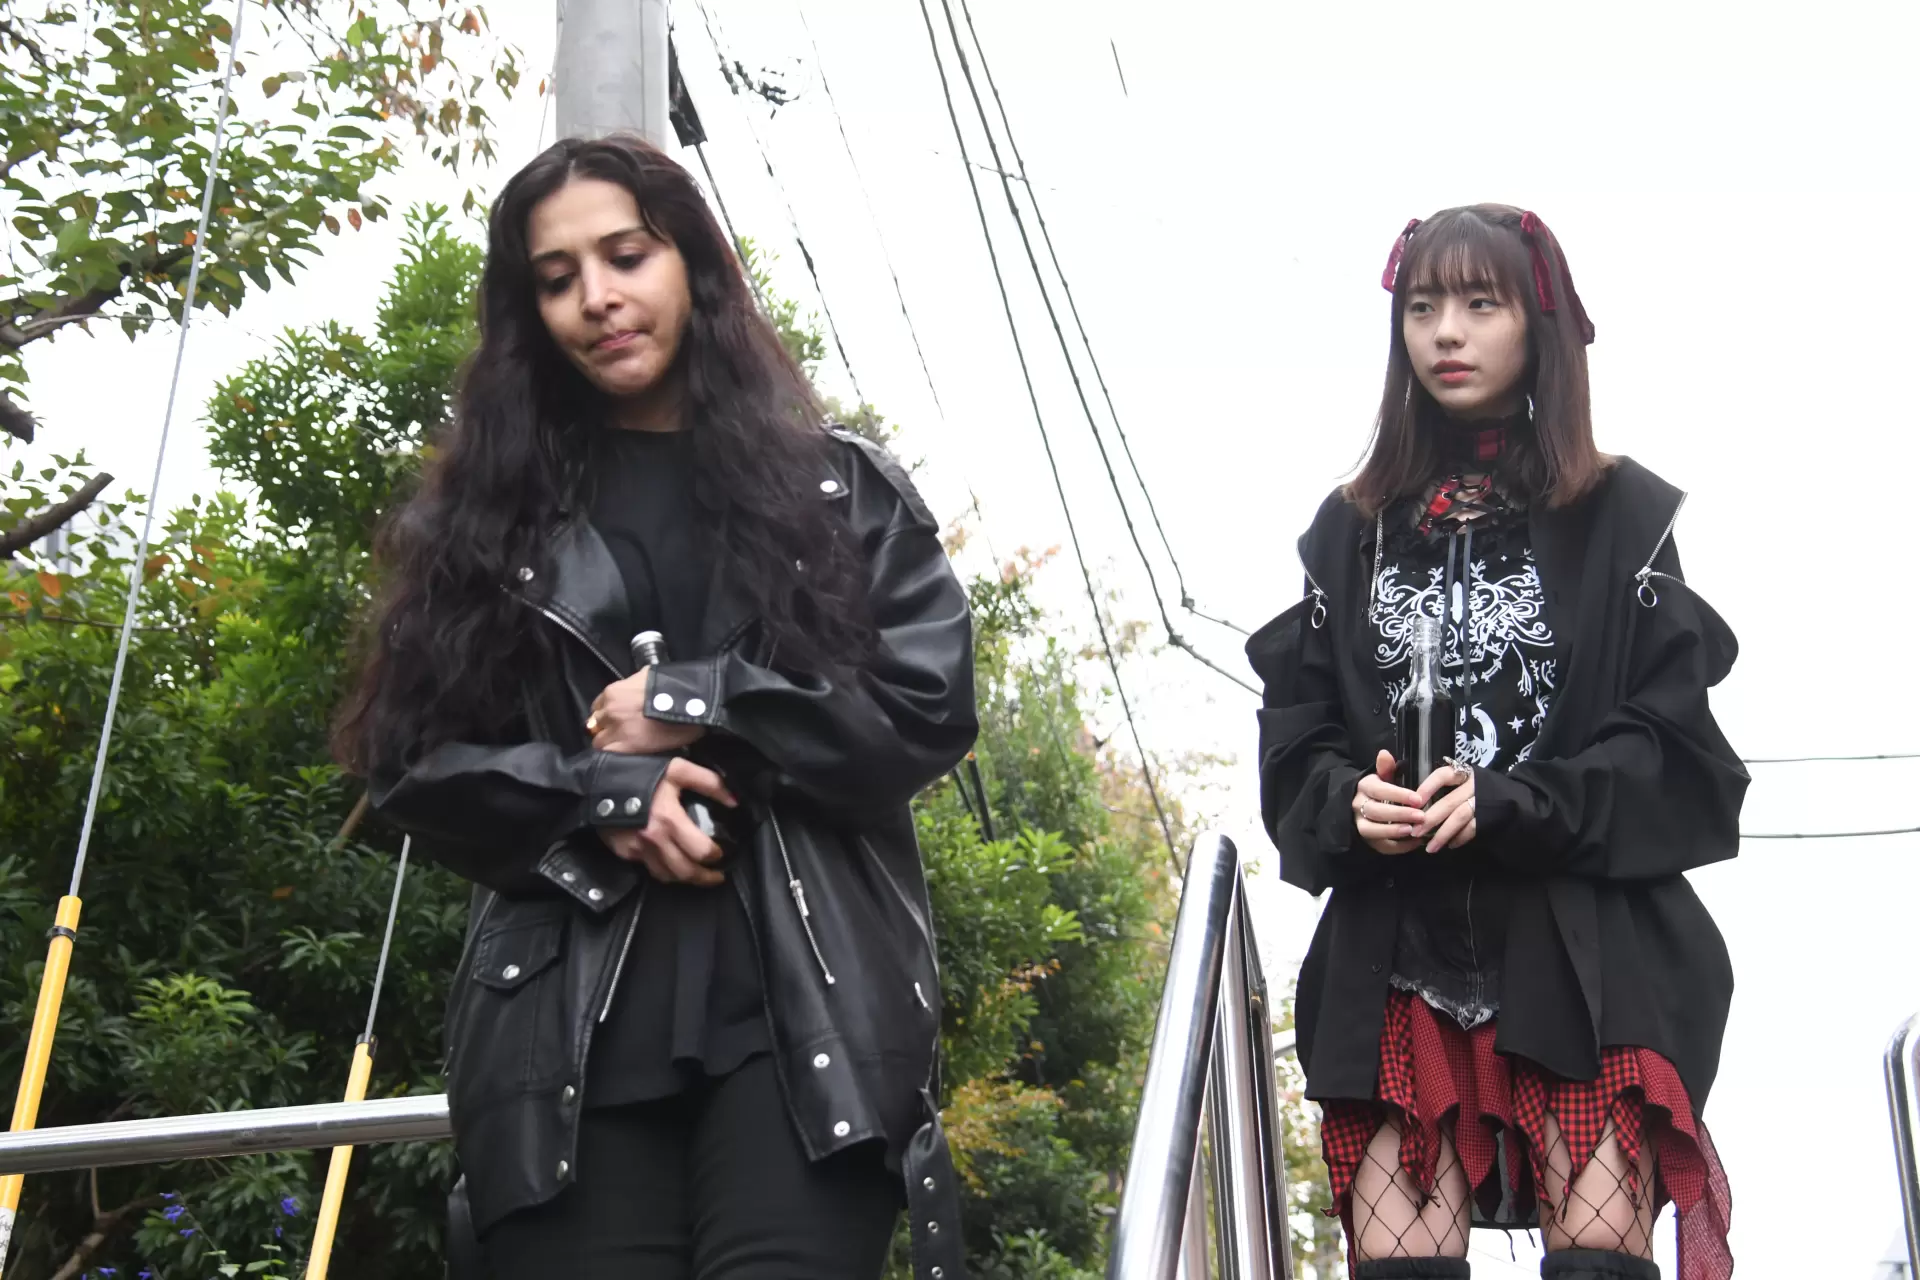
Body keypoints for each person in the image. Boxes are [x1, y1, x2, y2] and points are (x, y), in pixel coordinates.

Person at [333, 133, 978, 1280]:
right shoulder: (484, 521)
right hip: (559, 1041)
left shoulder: (839, 490)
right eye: (557, 277)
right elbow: (411, 764)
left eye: (626, 256)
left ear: (693, 264)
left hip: (810, 1022)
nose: (597, 297)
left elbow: (924, 707)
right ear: (530, 310)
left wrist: (699, 700)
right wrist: (602, 791)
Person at [1247, 205, 1743, 1280]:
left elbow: (1673, 750)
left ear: (1538, 323)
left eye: (1481, 303)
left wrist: (1519, 800)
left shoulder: (1624, 516)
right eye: (1422, 306)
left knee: (1598, 1263)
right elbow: (1297, 742)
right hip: (1396, 950)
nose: (1446, 332)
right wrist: (1347, 801)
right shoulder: (1348, 528)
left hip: (1584, 950)